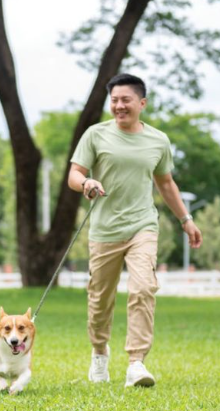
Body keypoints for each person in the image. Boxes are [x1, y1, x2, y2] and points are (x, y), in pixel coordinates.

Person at [68, 73, 202, 388]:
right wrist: (86, 182)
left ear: (141, 103)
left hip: (143, 225)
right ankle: (100, 353)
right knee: (100, 300)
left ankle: (136, 363)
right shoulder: (95, 135)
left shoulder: (158, 140)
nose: (119, 106)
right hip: (104, 230)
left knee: (143, 289)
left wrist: (186, 220)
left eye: (125, 100)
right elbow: (75, 173)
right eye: (114, 100)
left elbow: (165, 183)